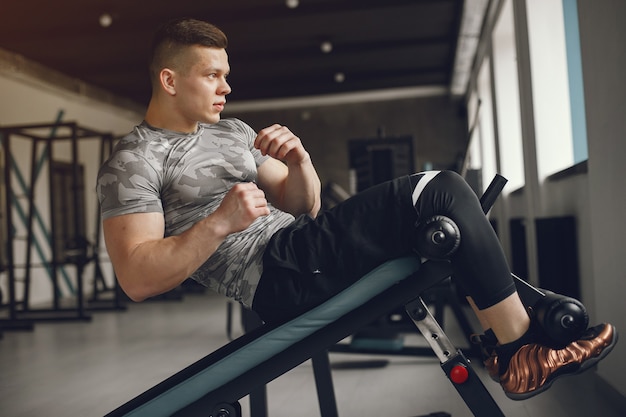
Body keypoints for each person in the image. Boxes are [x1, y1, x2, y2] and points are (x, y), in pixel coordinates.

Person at [96, 17, 616, 401]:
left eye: (226, 75)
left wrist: (300, 161)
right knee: (442, 193)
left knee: (442, 210)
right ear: (169, 80)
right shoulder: (135, 160)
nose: (227, 87)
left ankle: (521, 339)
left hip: (300, 245)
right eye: (212, 76)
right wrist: (218, 224)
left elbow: (305, 204)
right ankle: (519, 349)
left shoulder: (233, 132)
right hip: (277, 275)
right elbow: (138, 277)